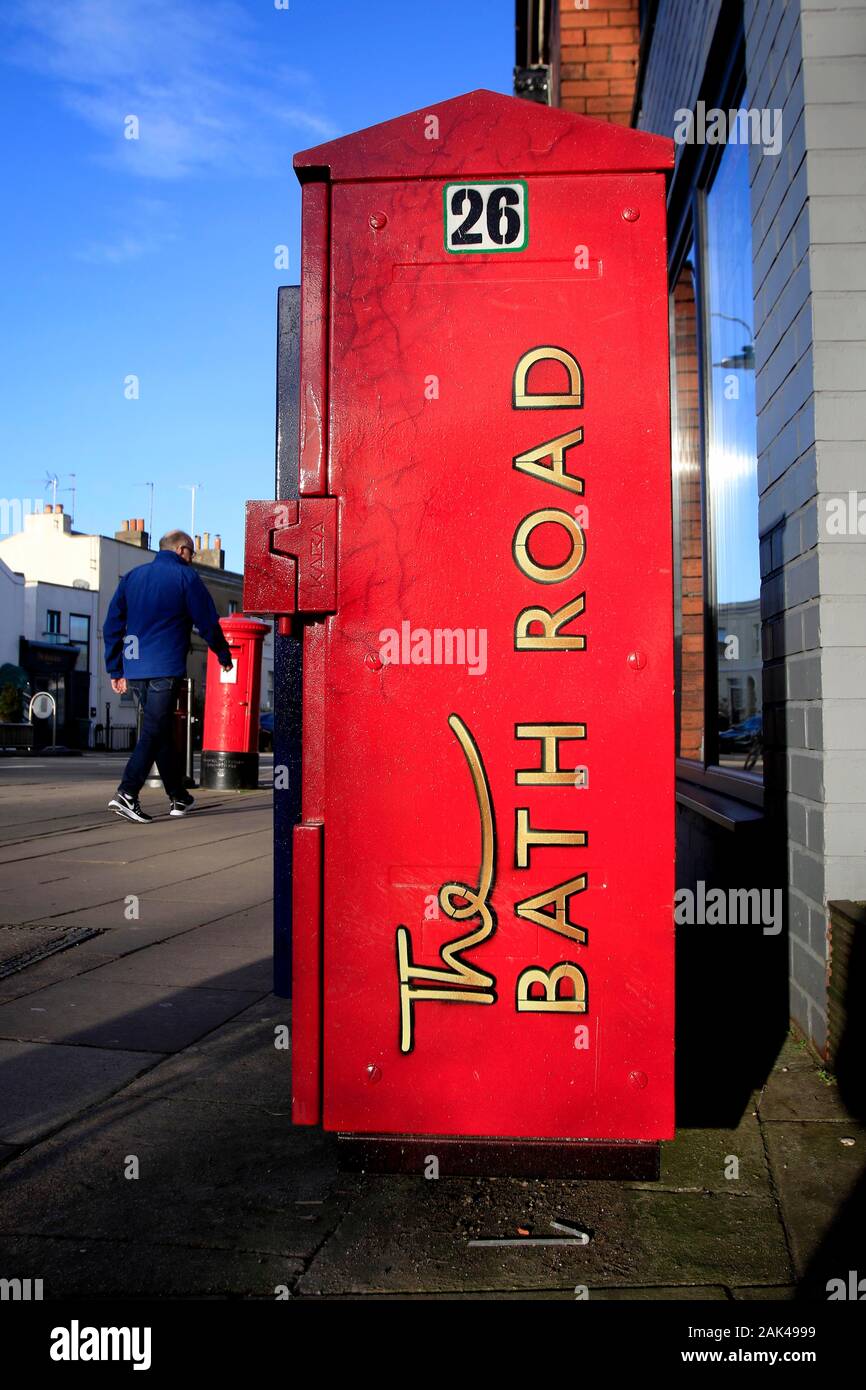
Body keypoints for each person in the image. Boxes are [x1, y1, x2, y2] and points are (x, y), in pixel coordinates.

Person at [103, 529, 234, 823]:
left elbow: (112, 624)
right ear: (181, 550)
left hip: (135, 668)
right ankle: (127, 792)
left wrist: (115, 667)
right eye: (192, 553)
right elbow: (208, 621)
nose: (193, 558)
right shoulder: (186, 578)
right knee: (153, 731)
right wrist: (223, 655)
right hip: (165, 666)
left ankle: (179, 795)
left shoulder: (132, 578)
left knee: (158, 731)